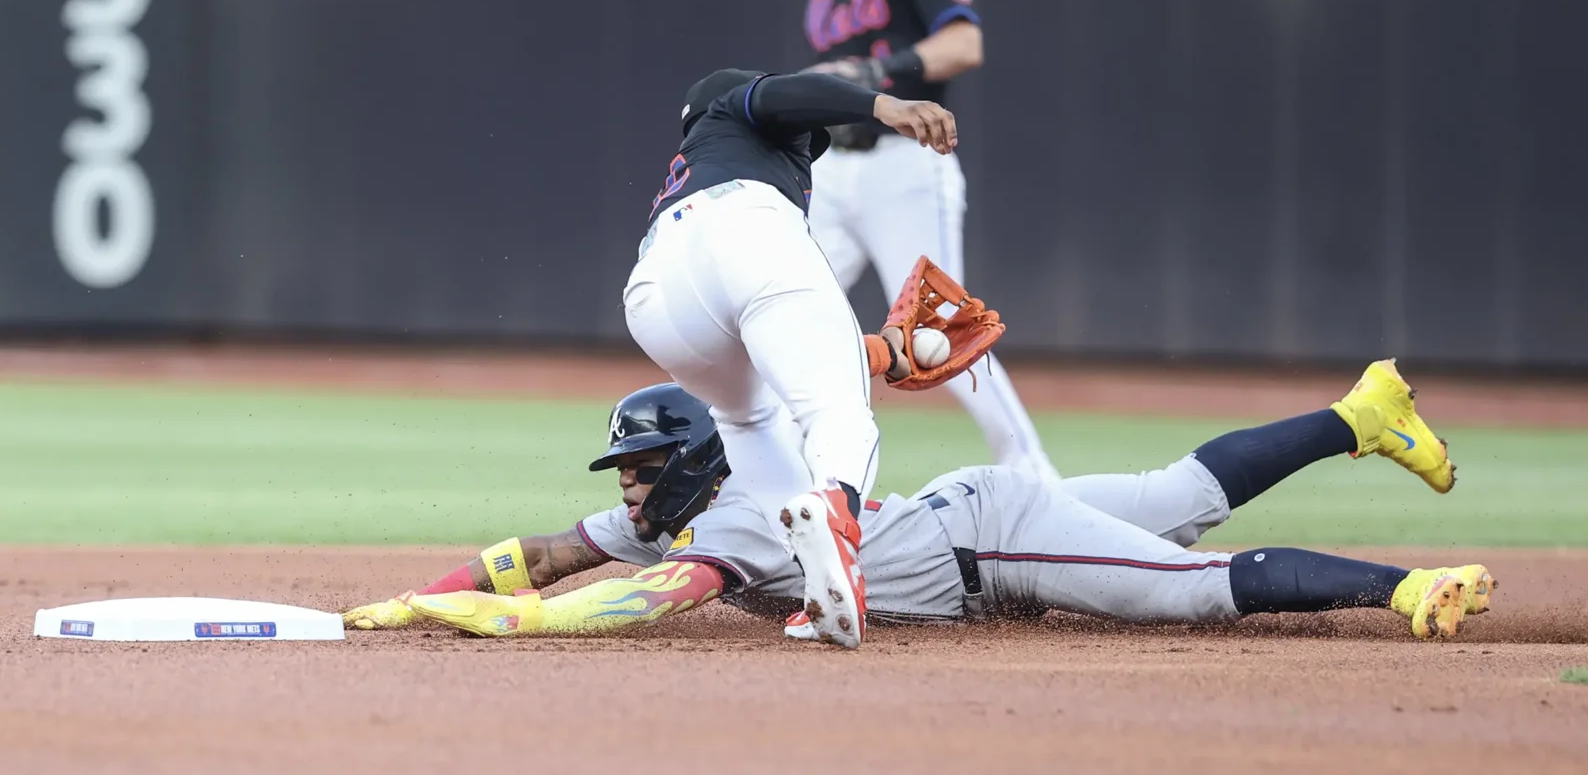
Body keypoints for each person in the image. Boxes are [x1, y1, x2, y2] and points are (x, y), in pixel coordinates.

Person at [342, 359, 1492, 642]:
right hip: (963, 514)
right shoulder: (678, 509)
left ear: (689, 461)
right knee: (1180, 494)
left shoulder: (733, 516)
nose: (625, 486)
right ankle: (1361, 414)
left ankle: (1407, 589)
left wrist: (508, 624)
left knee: (1187, 584)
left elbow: (647, 601)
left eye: (638, 467)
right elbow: (551, 553)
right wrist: (421, 596)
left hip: (996, 541)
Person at [619, 67, 957, 648]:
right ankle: (835, 508)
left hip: (655, 293)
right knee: (836, 411)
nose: (806, 146)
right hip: (743, 226)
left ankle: (819, 578)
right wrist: (885, 107)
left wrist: (882, 352)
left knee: (747, 419)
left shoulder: (692, 173)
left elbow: (786, 355)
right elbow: (780, 93)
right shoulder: (730, 109)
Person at [797, 0, 1060, 482]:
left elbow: (965, 43)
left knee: (941, 331)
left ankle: (1037, 477)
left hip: (906, 163)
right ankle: (767, 474)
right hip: (834, 167)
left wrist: (879, 71)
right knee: (786, 308)